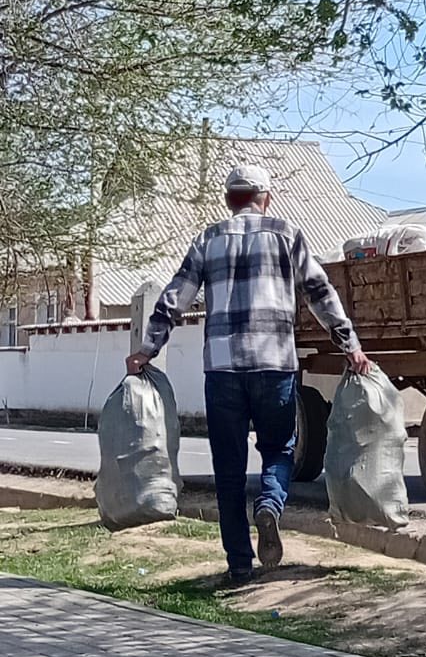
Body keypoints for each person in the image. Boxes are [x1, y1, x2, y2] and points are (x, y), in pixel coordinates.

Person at [126, 164, 371, 583]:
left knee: (228, 467)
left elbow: (175, 297)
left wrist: (147, 349)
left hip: (222, 369)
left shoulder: (209, 238)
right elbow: (318, 291)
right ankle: (270, 506)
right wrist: (349, 345)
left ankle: (239, 564)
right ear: (266, 198)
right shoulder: (287, 234)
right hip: (275, 364)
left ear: (228, 200)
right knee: (279, 449)